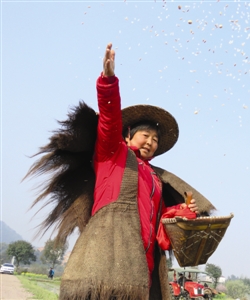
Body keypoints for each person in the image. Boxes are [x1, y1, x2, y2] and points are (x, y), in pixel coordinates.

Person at [26, 43, 216, 300]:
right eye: (145, 135)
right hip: (107, 263)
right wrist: (108, 81)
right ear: (127, 136)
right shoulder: (112, 155)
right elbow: (108, 119)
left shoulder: (156, 179)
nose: (150, 142)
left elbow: (160, 226)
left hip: (144, 270)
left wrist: (181, 213)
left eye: (155, 140)